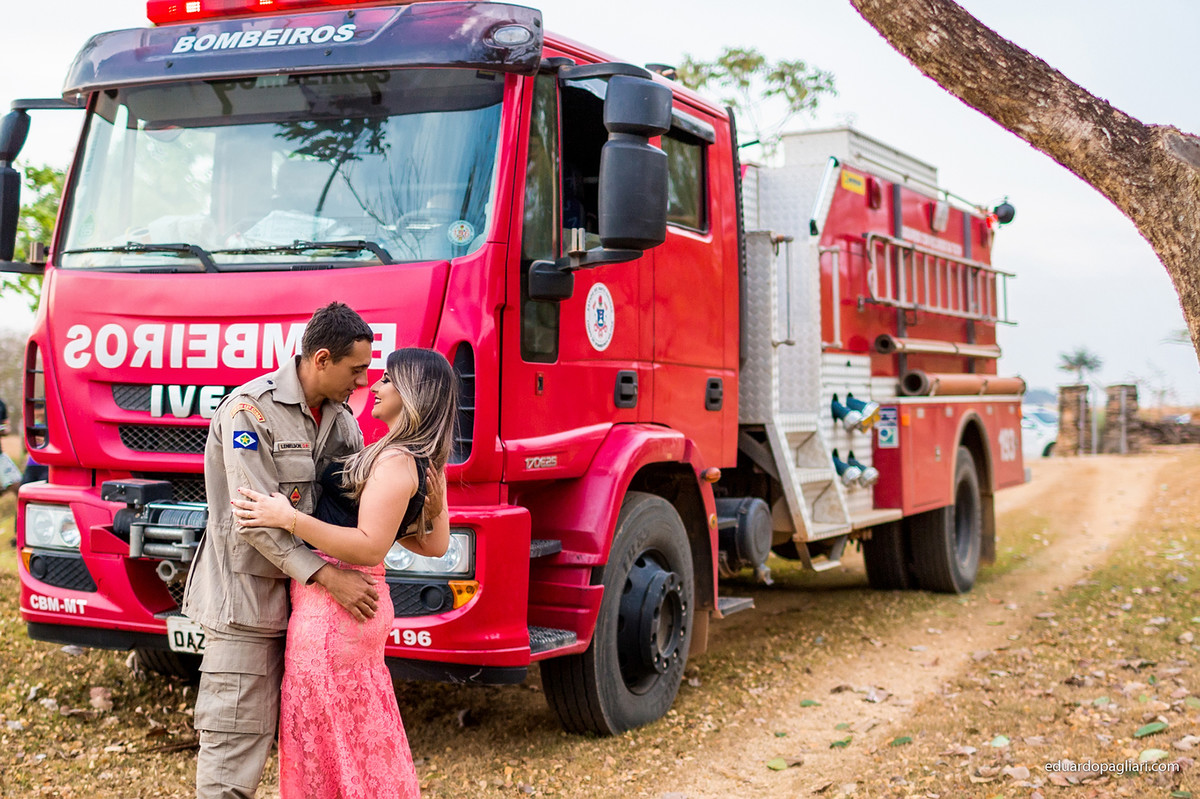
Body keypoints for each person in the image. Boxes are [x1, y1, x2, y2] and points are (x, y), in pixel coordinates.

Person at [231, 347, 456, 799]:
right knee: (354, 739)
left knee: (329, 743)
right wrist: (432, 509)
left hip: (336, 613)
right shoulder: (410, 456)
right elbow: (432, 543)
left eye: (388, 380)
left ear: (413, 393)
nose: (374, 385)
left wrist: (287, 518)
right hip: (349, 609)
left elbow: (371, 542)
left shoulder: (395, 461)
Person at [182, 302, 382, 799]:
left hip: (309, 616)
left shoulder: (341, 419)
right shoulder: (248, 411)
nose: (363, 380)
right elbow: (254, 522)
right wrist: (330, 577)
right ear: (320, 359)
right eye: (356, 369)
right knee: (234, 753)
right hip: (248, 606)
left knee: (314, 753)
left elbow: (354, 499)